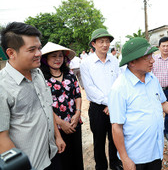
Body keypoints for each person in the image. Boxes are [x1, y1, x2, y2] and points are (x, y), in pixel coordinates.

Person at [108, 37, 168, 170]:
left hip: (155, 151)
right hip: (136, 155)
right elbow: (116, 127)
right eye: (147, 57)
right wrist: (125, 158)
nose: (152, 60)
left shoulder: (152, 79)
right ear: (132, 62)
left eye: (152, 55)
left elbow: (163, 104)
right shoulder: (119, 88)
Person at [0, 22, 65, 170]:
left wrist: (57, 137)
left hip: (52, 155)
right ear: (11, 53)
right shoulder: (2, 86)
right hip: (31, 165)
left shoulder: (38, 72)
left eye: (39, 48)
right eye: (32, 49)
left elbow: (46, 108)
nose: (39, 54)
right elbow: (1, 139)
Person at [80, 28, 122, 170]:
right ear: (94, 44)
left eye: (107, 42)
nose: (105, 44)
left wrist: (112, 104)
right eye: (101, 41)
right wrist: (108, 102)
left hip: (114, 106)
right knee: (98, 140)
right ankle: (101, 166)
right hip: (98, 108)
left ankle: (115, 164)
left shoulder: (114, 61)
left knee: (115, 137)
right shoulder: (86, 63)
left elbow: (119, 82)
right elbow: (89, 88)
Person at [40, 42, 84, 170]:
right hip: (56, 127)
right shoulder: (42, 79)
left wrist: (78, 113)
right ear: (45, 58)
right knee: (63, 160)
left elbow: (78, 95)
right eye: (54, 56)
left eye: (60, 56)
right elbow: (45, 105)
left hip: (75, 123)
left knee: (77, 157)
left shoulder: (70, 74)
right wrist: (60, 122)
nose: (58, 59)